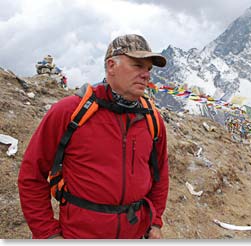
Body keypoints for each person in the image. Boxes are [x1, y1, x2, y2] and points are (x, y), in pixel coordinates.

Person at [18, 34, 169, 239]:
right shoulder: (70, 111)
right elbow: (31, 175)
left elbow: (159, 176)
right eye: (137, 65)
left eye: (148, 69)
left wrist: (155, 222)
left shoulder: (153, 119)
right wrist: (47, 234)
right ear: (111, 66)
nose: (146, 75)